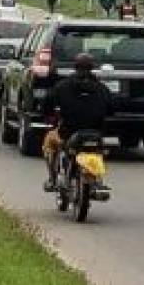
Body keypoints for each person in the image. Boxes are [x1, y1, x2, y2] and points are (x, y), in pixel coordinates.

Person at [42, 53, 114, 193]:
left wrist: (48, 116)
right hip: (95, 133)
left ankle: (52, 178)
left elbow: (47, 103)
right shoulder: (102, 88)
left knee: (49, 142)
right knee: (98, 152)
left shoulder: (62, 86)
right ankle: (97, 179)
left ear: (75, 67)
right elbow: (112, 108)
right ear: (92, 68)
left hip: (67, 132)